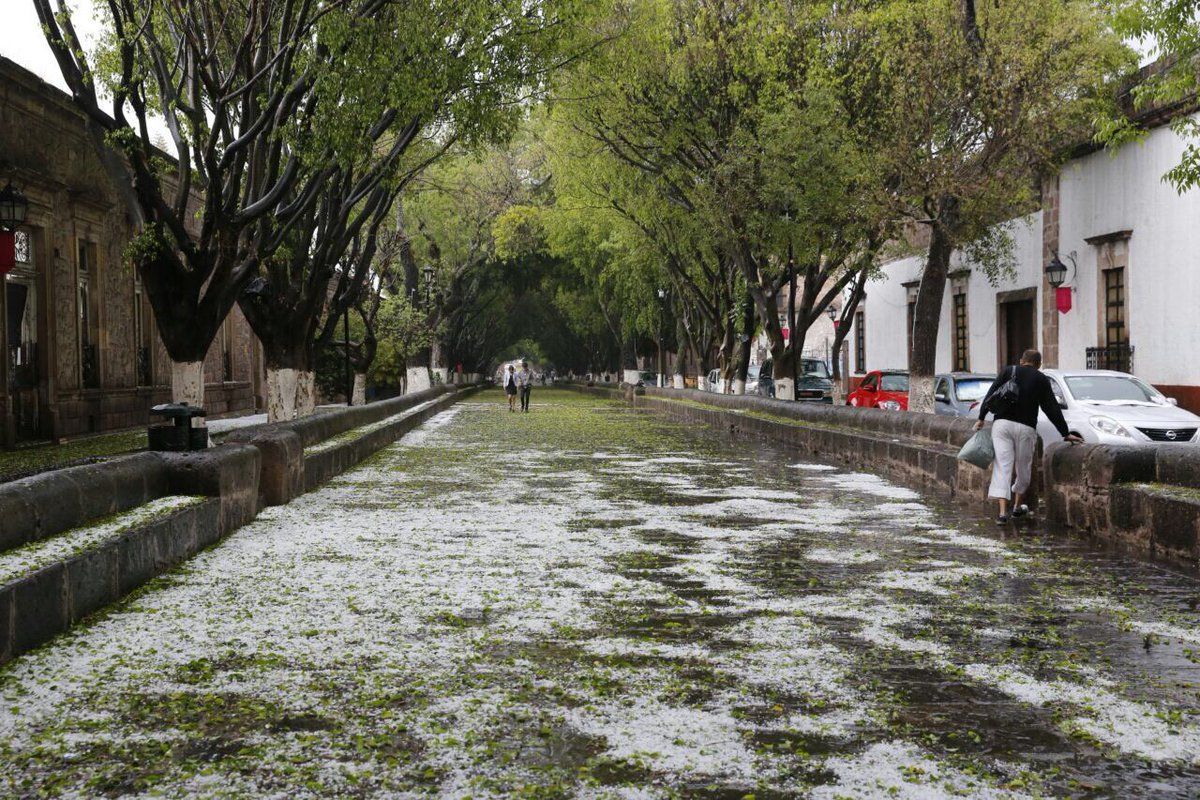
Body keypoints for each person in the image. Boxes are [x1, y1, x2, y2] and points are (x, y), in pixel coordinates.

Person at [975, 349, 1082, 524]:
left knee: (1003, 466)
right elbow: (1051, 407)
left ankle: (1002, 513)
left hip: (1002, 425)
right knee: (1023, 466)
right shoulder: (1041, 379)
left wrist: (981, 417)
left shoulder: (1008, 371)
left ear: (1021, 360)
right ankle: (1017, 507)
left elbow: (991, 395)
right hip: (1026, 428)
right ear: (1038, 364)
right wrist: (1065, 432)